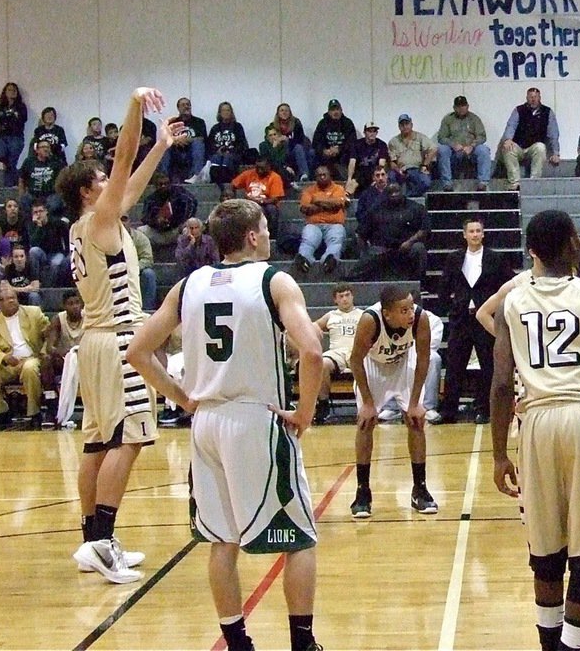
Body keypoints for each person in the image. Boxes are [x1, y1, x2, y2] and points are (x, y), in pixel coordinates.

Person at [125, 198, 326, 651]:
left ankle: (237, 643)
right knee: (299, 537)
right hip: (256, 417)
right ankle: (303, 642)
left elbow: (138, 351)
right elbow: (312, 351)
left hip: (207, 423)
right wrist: (305, 413)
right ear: (252, 236)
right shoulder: (273, 280)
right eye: (265, 229)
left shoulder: (189, 284)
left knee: (221, 539)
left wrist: (182, 399)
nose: (270, 235)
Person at [490, 209, 580, 651]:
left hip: (535, 422)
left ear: (532, 252)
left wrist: (500, 455)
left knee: (547, 549)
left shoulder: (510, 304)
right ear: (576, 243)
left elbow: (500, 385)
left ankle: (549, 646)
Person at [55, 85, 172, 585]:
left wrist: (161, 145)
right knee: (130, 440)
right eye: (101, 178)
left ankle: (90, 541)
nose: (112, 180)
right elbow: (123, 157)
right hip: (121, 340)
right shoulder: (99, 218)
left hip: (95, 343)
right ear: (87, 190)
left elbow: (130, 185)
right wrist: (134, 108)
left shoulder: (91, 224)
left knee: (98, 442)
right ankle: (103, 541)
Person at [347, 284, 438, 518]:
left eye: (411, 308)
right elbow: (355, 361)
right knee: (365, 423)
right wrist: (368, 403)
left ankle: (420, 489)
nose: (410, 314)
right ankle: (362, 491)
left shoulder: (421, 318)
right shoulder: (370, 320)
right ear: (387, 314)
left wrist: (415, 402)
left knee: (416, 421)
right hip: (372, 366)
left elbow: (424, 359)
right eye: (404, 310)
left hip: (402, 365)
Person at [435, 215, 513, 424]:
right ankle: (449, 411)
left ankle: (484, 409)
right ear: (464, 235)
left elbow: (508, 285)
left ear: (483, 233)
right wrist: (448, 307)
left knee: (487, 364)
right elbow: (444, 286)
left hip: (485, 319)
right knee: (454, 365)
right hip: (461, 318)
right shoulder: (454, 258)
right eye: (471, 231)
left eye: (478, 231)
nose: (475, 235)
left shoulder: (494, 258)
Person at [0, 284, 50, 430]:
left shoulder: (34, 312)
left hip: (31, 357)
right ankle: (0, 413)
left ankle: (34, 413)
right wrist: (5, 358)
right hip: (8, 362)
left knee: (30, 368)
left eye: (13, 297)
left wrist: (44, 353)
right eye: (6, 299)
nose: (11, 301)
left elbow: (49, 335)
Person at [351, 183, 429, 287]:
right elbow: (361, 232)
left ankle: (418, 285)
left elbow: (425, 229)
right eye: (391, 193)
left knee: (419, 248)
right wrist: (366, 250)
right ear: (386, 195)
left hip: (406, 248)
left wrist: (410, 242)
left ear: (402, 192)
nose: (394, 195)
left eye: (397, 192)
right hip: (381, 248)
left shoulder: (416, 207)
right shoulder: (376, 209)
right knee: (358, 271)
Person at [313, 282, 362, 425]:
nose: (345, 299)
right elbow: (313, 327)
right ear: (335, 299)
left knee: (370, 363)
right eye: (341, 296)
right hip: (337, 353)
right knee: (322, 363)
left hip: (358, 352)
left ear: (353, 296)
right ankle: (323, 404)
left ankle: (369, 404)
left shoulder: (363, 314)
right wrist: (315, 332)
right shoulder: (330, 315)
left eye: (347, 295)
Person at [500, 87, 560, 190]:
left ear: (539, 98)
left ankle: (534, 183)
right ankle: (515, 184)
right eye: (531, 97)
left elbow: (553, 134)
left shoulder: (547, 112)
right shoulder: (518, 110)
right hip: (519, 147)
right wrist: (508, 139)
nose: (533, 99)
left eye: (535, 97)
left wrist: (555, 153)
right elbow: (511, 126)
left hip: (534, 148)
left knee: (541, 147)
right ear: (527, 98)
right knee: (507, 147)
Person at [41, 289, 84, 426]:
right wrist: (66, 353)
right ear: (64, 306)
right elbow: (50, 347)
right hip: (65, 360)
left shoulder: (90, 317)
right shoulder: (58, 319)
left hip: (86, 359)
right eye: (70, 303)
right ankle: (51, 406)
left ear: (82, 304)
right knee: (46, 361)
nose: (75, 306)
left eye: (77, 302)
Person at [295, 164, 348, 276]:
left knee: (336, 240)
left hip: (334, 224)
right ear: (315, 177)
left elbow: (338, 204)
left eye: (324, 175)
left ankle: (329, 260)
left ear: (330, 176)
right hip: (313, 224)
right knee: (308, 241)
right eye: (319, 175)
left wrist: (317, 201)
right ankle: (304, 260)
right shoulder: (309, 191)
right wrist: (328, 204)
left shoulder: (338, 188)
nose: (322, 177)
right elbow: (305, 208)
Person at [436, 95, 491, 191]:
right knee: (442, 149)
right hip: (455, 153)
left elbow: (482, 136)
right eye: (458, 106)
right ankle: (447, 184)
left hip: (471, 152)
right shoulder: (448, 119)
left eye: (463, 106)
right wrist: (453, 144)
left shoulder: (474, 119)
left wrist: (472, 146)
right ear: (454, 108)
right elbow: (441, 137)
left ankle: (483, 183)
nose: (461, 108)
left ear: (467, 106)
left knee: (484, 149)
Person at [138, 172, 199, 249]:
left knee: (189, 229)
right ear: (155, 186)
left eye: (166, 183)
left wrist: (183, 222)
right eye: (160, 184)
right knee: (140, 231)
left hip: (176, 230)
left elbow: (193, 202)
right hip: (157, 232)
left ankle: (186, 256)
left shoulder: (180, 194)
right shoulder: (150, 199)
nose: (163, 186)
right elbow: (144, 218)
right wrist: (156, 221)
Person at [230, 157, 285, 239]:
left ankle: (271, 238)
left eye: (262, 168)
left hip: (267, 203)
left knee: (270, 209)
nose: (259, 171)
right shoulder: (249, 174)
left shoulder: (275, 177)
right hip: (249, 203)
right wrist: (233, 197)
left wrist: (260, 202)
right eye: (257, 168)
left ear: (269, 167)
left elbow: (275, 198)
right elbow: (233, 184)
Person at [387, 114, 436, 196]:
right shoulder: (393, 141)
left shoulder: (420, 137)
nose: (405, 126)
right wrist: (398, 170)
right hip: (400, 170)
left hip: (417, 169)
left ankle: (408, 196)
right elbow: (392, 162)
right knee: (390, 177)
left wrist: (425, 165)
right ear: (399, 126)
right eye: (402, 124)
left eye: (407, 124)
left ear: (411, 125)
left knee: (426, 182)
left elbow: (433, 149)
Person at [160, 97, 208, 182]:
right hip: (176, 151)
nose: (186, 106)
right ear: (178, 108)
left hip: (192, 151)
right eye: (183, 105)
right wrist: (176, 141)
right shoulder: (172, 122)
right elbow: (166, 138)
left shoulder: (199, 122)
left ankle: (196, 175)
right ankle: (164, 177)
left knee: (198, 143)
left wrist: (188, 139)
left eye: (188, 104)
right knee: (165, 145)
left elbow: (202, 138)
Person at [0, 82, 29, 186]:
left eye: (14, 90)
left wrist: (6, 117)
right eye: (9, 90)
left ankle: (9, 185)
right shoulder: (0, 106)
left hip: (16, 136)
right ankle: (12, 174)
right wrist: (12, 116)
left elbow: (23, 119)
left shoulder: (21, 106)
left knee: (12, 162)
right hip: (1, 136)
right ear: (5, 92)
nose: (12, 92)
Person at [311, 98, 357, 182]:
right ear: (329, 112)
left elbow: (352, 142)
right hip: (326, 156)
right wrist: (324, 150)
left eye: (337, 109)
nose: (335, 112)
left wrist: (339, 149)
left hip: (342, 155)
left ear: (341, 110)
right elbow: (316, 142)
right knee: (313, 154)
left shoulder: (347, 123)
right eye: (332, 110)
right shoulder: (322, 123)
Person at [25, 202, 70, 288]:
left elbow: (67, 240)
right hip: (42, 254)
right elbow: (33, 243)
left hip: (57, 253)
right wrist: (39, 227)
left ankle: (49, 288)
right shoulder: (32, 226)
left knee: (55, 263)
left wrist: (66, 254)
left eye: (40, 211)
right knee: (33, 251)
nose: (38, 214)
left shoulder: (57, 223)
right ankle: (35, 281)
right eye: (35, 212)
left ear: (46, 212)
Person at [18, 139, 65, 216]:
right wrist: (21, 194)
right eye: (43, 147)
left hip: (50, 194)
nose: (46, 149)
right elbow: (21, 179)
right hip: (32, 194)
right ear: (37, 150)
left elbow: (62, 180)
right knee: (24, 201)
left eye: (48, 147)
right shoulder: (29, 162)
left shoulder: (56, 162)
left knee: (55, 204)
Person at [268, 102, 313, 183]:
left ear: (290, 113)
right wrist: (278, 141)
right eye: (282, 110)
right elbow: (269, 140)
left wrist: (287, 140)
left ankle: (305, 175)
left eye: (286, 110)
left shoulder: (296, 123)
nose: (284, 112)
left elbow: (300, 139)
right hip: (281, 151)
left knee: (301, 148)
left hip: (294, 151)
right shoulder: (272, 126)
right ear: (278, 113)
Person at [207, 102, 249, 184]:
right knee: (216, 158)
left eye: (228, 110)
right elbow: (209, 144)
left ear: (231, 112)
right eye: (223, 110)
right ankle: (216, 182)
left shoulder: (237, 127)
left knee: (227, 158)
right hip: (218, 154)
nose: (226, 112)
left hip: (233, 154)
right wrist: (217, 150)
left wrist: (230, 151)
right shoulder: (215, 128)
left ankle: (226, 182)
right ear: (219, 113)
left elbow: (242, 143)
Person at [121, 215, 157, 312]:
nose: (122, 223)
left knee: (149, 274)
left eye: (124, 219)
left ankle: (147, 310)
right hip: (116, 273)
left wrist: (132, 269)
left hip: (136, 272)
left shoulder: (140, 238)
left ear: (130, 222)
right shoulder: (107, 239)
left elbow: (147, 259)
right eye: (119, 220)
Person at [349, 122, 389, 195]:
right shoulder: (357, 144)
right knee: (351, 185)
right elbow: (352, 162)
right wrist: (349, 179)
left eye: (374, 131)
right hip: (360, 173)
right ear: (364, 132)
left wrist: (376, 178)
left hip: (374, 172)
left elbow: (381, 164)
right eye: (369, 131)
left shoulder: (381, 144)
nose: (372, 133)